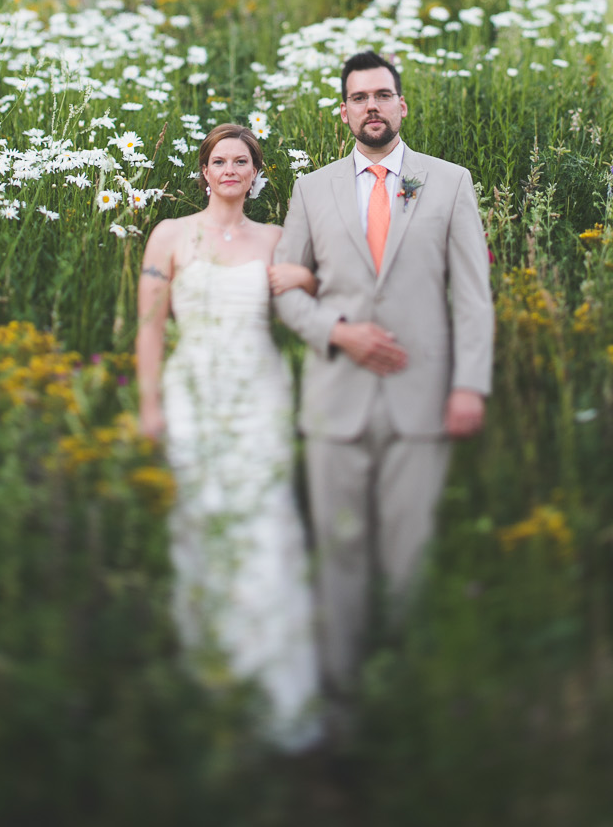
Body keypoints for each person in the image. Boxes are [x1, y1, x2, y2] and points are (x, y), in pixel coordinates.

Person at [272, 51, 494, 706]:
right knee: (339, 561)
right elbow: (286, 291)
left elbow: (472, 297)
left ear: (402, 106)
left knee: (409, 561)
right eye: (358, 96)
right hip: (335, 402)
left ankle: (406, 707)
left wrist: (469, 386)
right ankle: (342, 708)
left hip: (422, 401)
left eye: (382, 94)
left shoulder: (449, 182)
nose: (371, 105)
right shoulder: (312, 190)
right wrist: (339, 332)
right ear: (343, 111)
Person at [136, 123, 322, 751]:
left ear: (256, 173)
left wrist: (306, 280)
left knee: (263, 516)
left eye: (242, 161)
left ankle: (271, 686)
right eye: (219, 160)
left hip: (259, 392)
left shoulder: (275, 240)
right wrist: (149, 404)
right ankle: (209, 679)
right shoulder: (170, 236)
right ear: (204, 171)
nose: (230, 169)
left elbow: (323, 292)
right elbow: (150, 329)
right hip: (193, 391)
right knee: (200, 515)